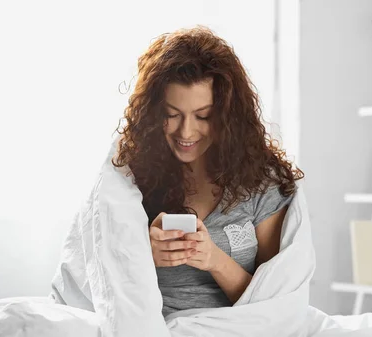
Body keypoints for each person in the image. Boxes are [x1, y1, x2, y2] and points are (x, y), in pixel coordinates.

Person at [111, 26, 303, 317]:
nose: (186, 131)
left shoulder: (262, 183)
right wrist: (140, 255)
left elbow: (276, 302)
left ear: (228, 115)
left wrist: (214, 260)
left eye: (204, 116)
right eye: (171, 115)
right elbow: (97, 275)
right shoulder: (129, 177)